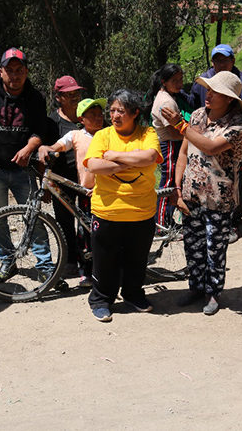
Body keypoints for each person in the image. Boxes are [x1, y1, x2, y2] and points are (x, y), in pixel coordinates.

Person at [0, 48, 57, 286]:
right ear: (1, 71)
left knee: (33, 216)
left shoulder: (35, 97)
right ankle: (8, 261)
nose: (15, 76)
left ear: (25, 72)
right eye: (10, 70)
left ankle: (45, 266)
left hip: (24, 171)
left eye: (20, 71)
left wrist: (28, 148)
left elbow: (40, 131)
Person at [166, 71, 242, 315]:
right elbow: (184, 152)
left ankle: (213, 293)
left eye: (216, 92)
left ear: (229, 99)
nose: (208, 94)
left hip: (219, 200)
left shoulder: (238, 125)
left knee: (215, 248)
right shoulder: (199, 115)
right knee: (193, 245)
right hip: (191, 195)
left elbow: (210, 147)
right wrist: (177, 188)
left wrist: (180, 124)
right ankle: (196, 287)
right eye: (208, 90)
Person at [84, 89, 163, 322]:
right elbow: (94, 166)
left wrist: (112, 156)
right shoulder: (103, 135)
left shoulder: (147, 133)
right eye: (112, 111)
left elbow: (149, 158)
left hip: (142, 211)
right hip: (107, 210)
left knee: (137, 260)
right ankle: (100, 300)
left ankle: (133, 294)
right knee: (104, 261)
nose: (115, 115)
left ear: (135, 112)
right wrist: (129, 163)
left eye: (121, 111)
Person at [191, 44, 242, 242]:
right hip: (203, 141)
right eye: (216, 60)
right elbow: (195, 104)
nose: (220, 64)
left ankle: (234, 222)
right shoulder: (203, 81)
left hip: (233, 141)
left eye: (224, 60)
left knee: (235, 182)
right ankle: (204, 219)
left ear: (233, 60)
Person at [38, 98, 107, 287]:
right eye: (92, 114)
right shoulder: (75, 135)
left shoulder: (109, 134)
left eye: (100, 114)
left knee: (104, 233)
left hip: (108, 193)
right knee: (84, 233)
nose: (98, 117)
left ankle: (107, 271)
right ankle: (86, 273)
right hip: (86, 192)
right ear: (81, 119)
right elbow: (59, 145)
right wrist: (47, 148)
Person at [48, 76, 84, 278]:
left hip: (88, 177)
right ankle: (69, 259)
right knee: (64, 221)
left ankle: (90, 258)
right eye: (69, 94)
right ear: (58, 97)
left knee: (88, 219)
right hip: (61, 178)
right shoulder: (51, 122)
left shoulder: (88, 115)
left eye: (76, 93)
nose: (74, 97)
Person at [145, 63, 186, 230]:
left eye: (181, 79)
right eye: (175, 80)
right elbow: (173, 131)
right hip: (169, 144)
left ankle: (166, 219)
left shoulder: (167, 97)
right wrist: (190, 135)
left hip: (172, 143)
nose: (179, 83)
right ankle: (161, 223)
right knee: (168, 182)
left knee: (171, 181)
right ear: (164, 82)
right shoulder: (166, 102)